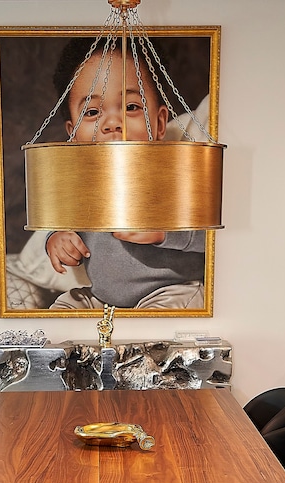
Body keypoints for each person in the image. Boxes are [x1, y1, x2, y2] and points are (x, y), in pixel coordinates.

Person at [46, 37, 205, 311]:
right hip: (100, 298)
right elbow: (60, 223)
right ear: (72, 132)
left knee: (168, 318)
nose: (112, 124)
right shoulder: (78, 184)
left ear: (159, 123)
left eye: (131, 107)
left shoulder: (172, 176)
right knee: (62, 309)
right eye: (93, 112)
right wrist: (56, 239)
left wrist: (162, 232)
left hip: (169, 291)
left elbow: (209, 238)